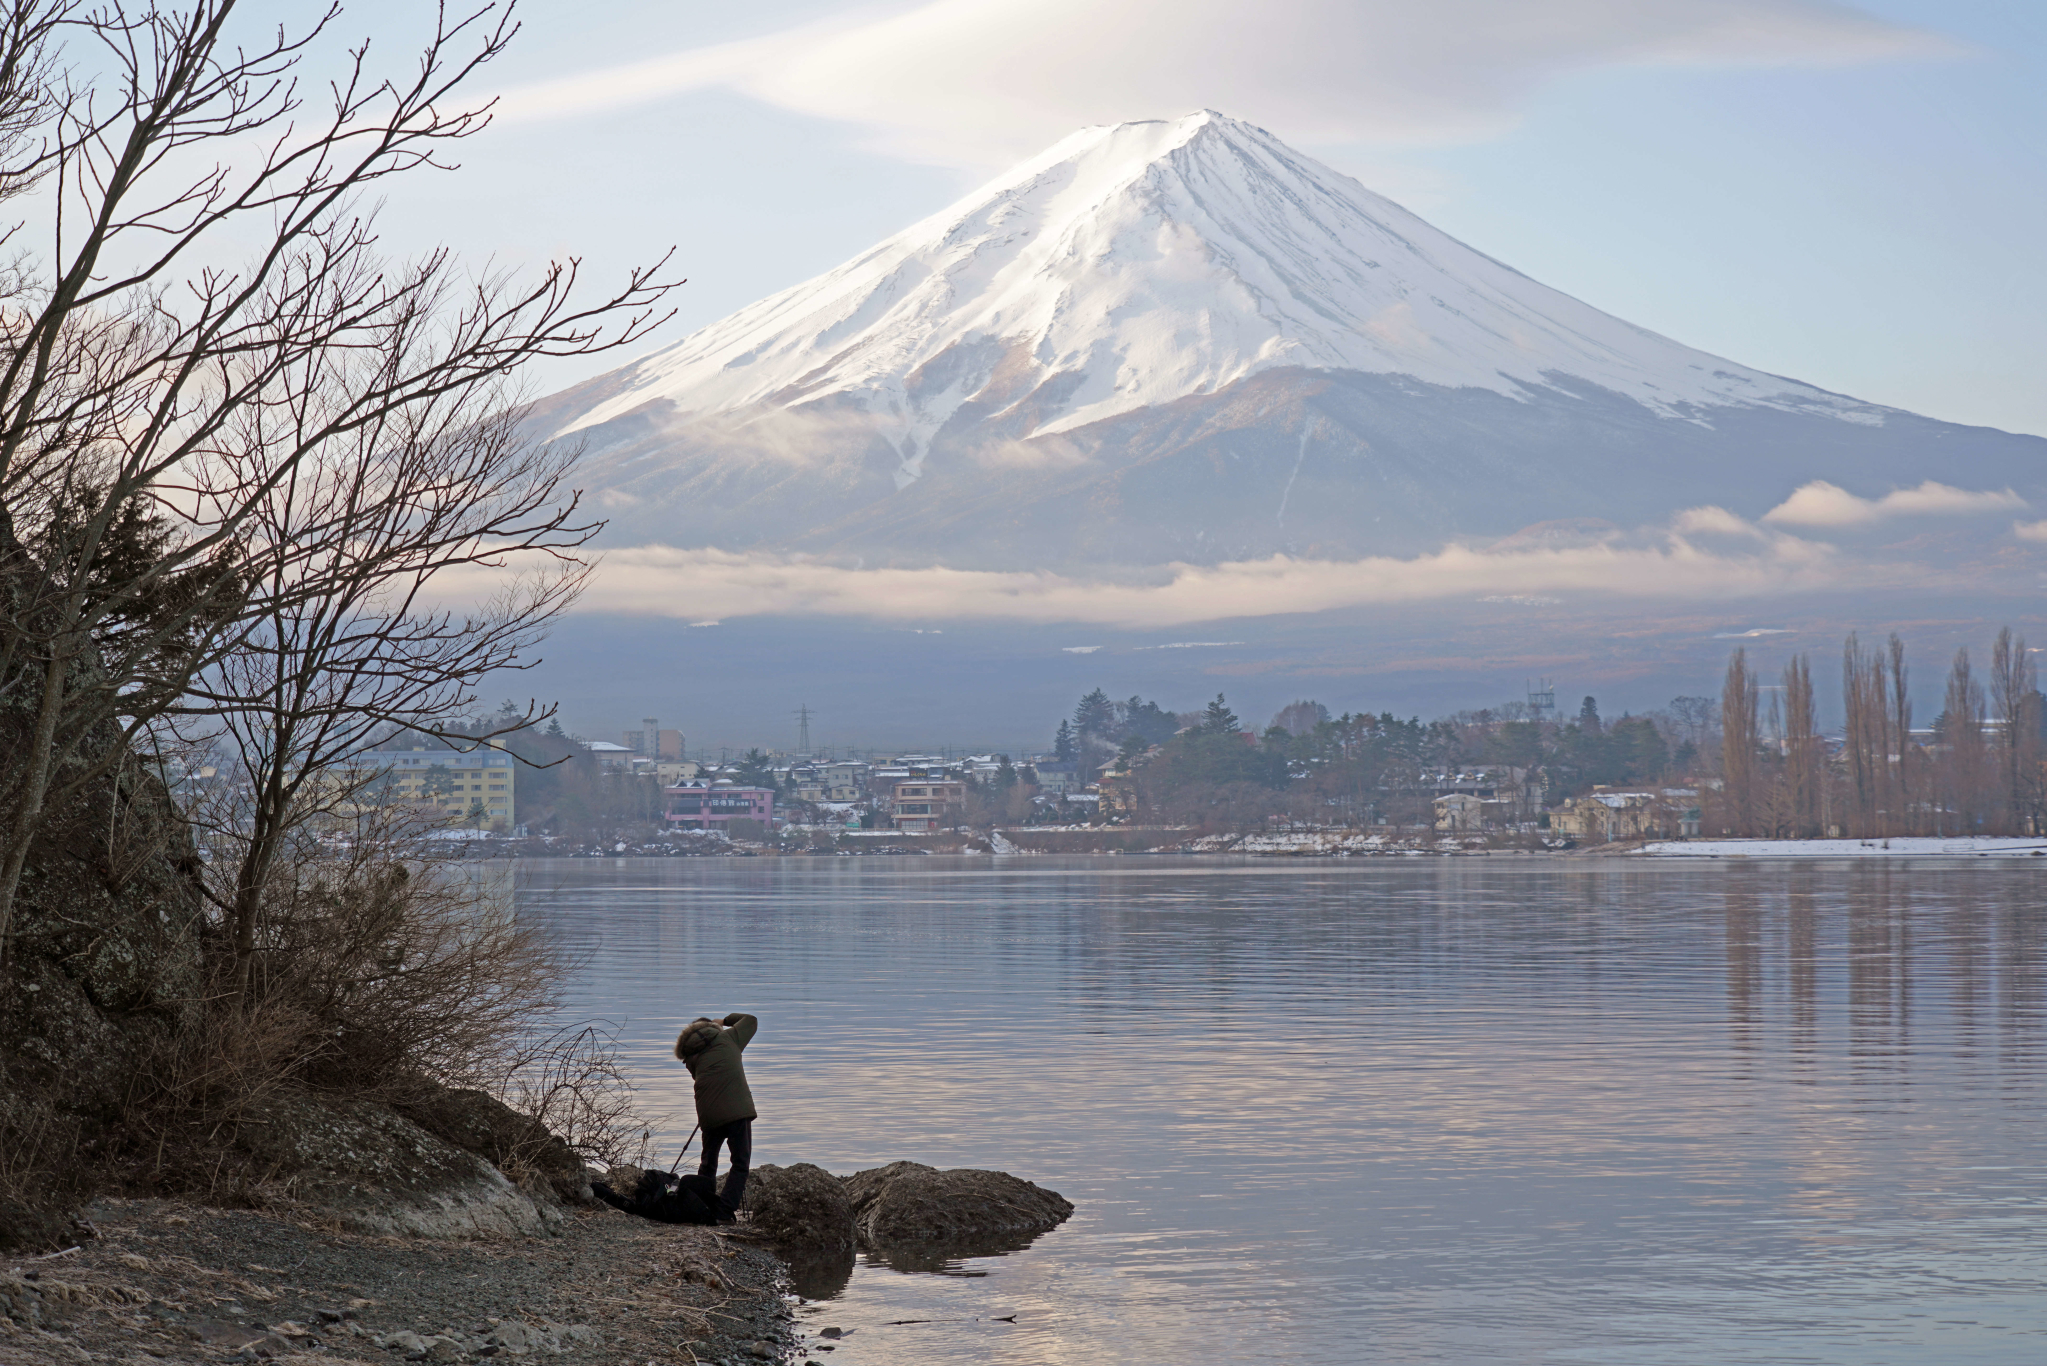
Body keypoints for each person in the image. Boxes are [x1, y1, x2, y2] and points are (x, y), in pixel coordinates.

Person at [674, 1011, 758, 1219]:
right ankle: (723, 1211)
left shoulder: (691, 1056)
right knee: (740, 1164)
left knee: (708, 1164)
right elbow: (751, 1021)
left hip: (708, 1113)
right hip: (737, 1111)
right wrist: (725, 1021)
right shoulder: (728, 1038)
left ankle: (701, 1205)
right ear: (712, 1029)